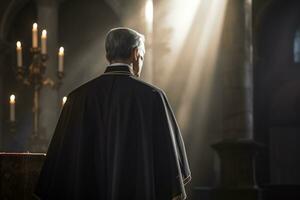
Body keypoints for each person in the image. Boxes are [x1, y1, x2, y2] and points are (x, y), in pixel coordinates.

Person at [35, 27, 191, 200]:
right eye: (142, 55)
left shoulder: (76, 98)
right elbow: (167, 165)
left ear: (107, 55)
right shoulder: (153, 97)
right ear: (135, 53)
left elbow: (61, 165)